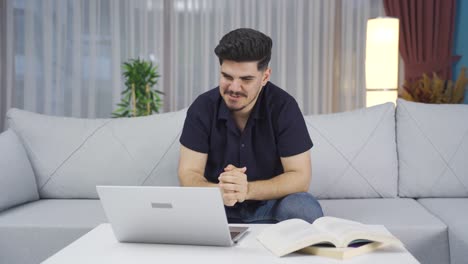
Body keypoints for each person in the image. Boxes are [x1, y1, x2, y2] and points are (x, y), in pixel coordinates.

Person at [178, 28, 323, 223]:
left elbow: (300, 177)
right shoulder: (202, 107)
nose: (234, 88)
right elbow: (188, 174)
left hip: (269, 206)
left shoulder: (284, 107)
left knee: (303, 207)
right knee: (176, 211)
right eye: (227, 77)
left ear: (265, 77)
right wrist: (221, 191)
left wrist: (246, 190)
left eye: (246, 79)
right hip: (217, 205)